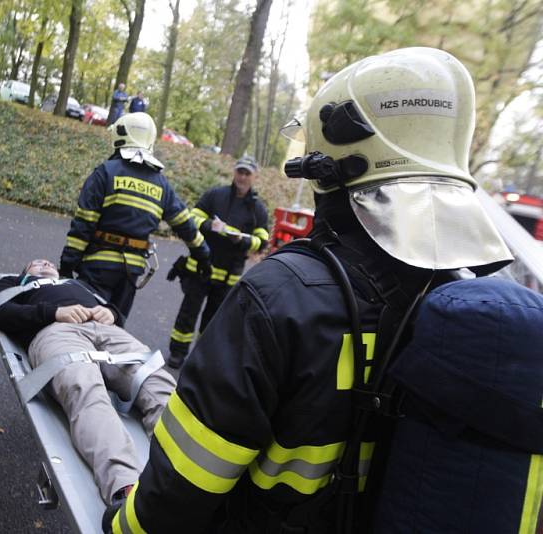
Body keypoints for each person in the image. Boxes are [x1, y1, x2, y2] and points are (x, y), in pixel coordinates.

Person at [104, 47, 514, 533]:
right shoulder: (462, 307)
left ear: (331, 165)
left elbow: (187, 479)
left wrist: (125, 524)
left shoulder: (280, 298)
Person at [0, 259, 176, 507]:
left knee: (157, 381)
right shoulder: (13, 284)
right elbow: (0, 314)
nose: (45, 263)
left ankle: (182, 471)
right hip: (55, 331)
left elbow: (115, 312)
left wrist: (110, 312)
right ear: (25, 272)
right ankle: (125, 486)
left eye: (49, 262)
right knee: (85, 387)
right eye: (36, 263)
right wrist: (53, 312)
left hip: (107, 331)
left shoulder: (78, 284)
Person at [59, 111, 210, 318]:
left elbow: (84, 224)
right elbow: (185, 223)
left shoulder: (105, 172)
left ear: (122, 135)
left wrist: (67, 265)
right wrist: (203, 254)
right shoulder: (161, 183)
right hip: (132, 272)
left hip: (97, 267)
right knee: (114, 329)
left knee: (86, 323)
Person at [167, 154, 269, 369]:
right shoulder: (215, 195)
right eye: (239, 172)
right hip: (201, 268)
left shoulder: (257, 209)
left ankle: (201, 358)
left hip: (228, 276)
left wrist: (242, 239)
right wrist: (208, 225)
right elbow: (192, 217)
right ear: (234, 172)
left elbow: (262, 241)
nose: (242, 177)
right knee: (188, 313)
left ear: (254, 177)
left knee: (214, 321)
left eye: (247, 173)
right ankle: (177, 353)